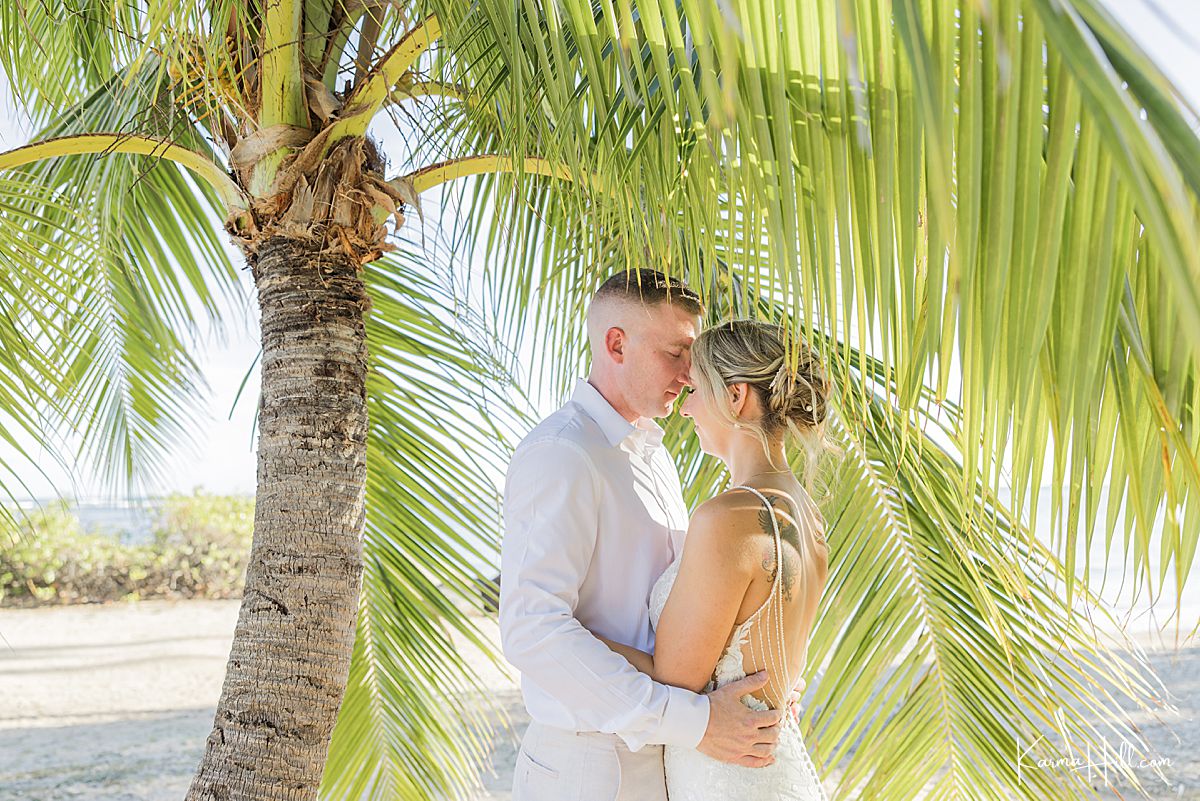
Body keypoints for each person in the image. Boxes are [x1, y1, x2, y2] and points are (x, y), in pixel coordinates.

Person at [500, 270, 786, 801]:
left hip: (665, 758)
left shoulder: (655, 457)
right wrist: (692, 721)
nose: (691, 373)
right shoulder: (563, 453)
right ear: (616, 344)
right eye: (678, 352)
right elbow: (531, 629)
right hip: (589, 766)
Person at [592, 318, 834, 799]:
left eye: (695, 391)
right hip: (769, 768)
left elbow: (674, 679)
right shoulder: (806, 515)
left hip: (731, 779)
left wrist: (564, 631)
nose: (686, 410)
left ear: (736, 396)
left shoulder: (731, 516)